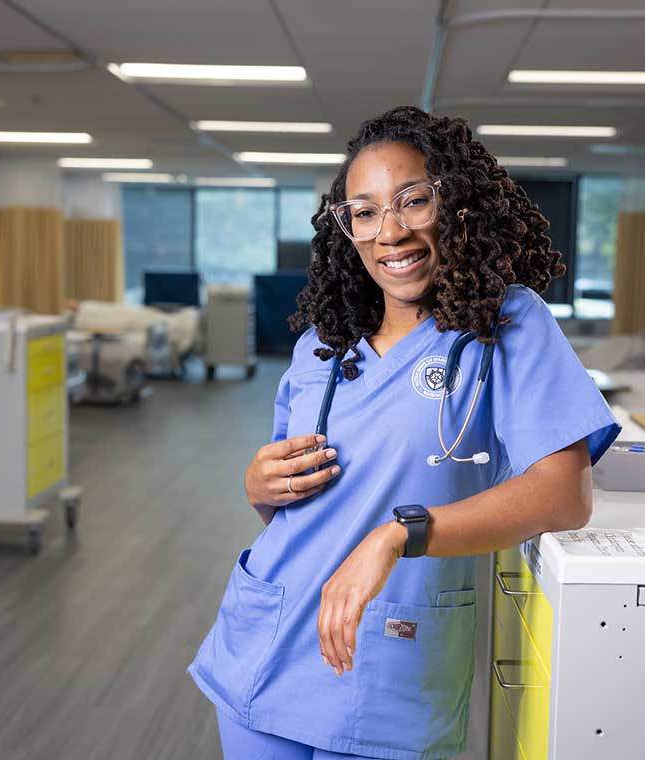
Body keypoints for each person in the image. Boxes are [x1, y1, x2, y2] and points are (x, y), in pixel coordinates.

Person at [188, 105, 620, 760]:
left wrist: (400, 533)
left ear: (455, 204)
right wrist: (258, 481)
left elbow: (564, 494)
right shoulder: (320, 347)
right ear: (347, 229)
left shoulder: (508, 325)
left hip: (390, 660)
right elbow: (289, 505)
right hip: (265, 646)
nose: (389, 231)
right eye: (363, 212)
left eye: (412, 201)